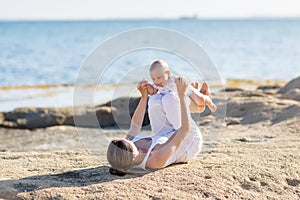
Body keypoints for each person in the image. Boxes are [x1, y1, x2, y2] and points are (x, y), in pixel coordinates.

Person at [107, 77, 202, 176]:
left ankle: (195, 100)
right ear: (133, 155)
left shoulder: (126, 151)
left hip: (166, 134)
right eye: (127, 141)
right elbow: (184, 129)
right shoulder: (156, 158)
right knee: (169, 98)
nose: (127, 139)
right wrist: (182, 95)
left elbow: (135, 127)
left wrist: (144, 96)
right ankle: (197, 102)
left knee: (154, 99)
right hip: (189, 140)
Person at [148, 60, 217, 113]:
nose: (156, 81)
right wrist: (150, 90)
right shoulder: (158, 84)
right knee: (198, 108)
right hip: (180, 100)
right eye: (153, 79)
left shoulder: (174, 80)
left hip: (188, 92)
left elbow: (182, 82)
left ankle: (209, 101)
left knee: (200, 101)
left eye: (159, 77)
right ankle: (200, 92)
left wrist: (182, 82)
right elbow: (154, 91)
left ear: (168, 74)